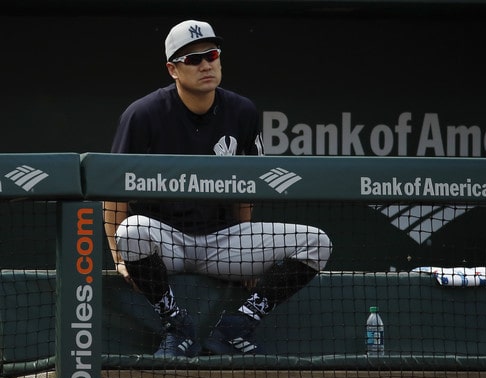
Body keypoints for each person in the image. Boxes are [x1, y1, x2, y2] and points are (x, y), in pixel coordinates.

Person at [103, 20, 332, 357]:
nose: (205, 64)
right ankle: (176, 324)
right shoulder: (143, 114)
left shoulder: (242, 111)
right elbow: (113, 189)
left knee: (317, 242)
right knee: (132, 231)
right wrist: (117, 256)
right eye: (193, 59)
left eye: (211, 55)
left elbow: (247, 189)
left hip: (221, 242)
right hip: (167, 241)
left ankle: (236, 326)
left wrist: (248, 246)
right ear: (173, 70)